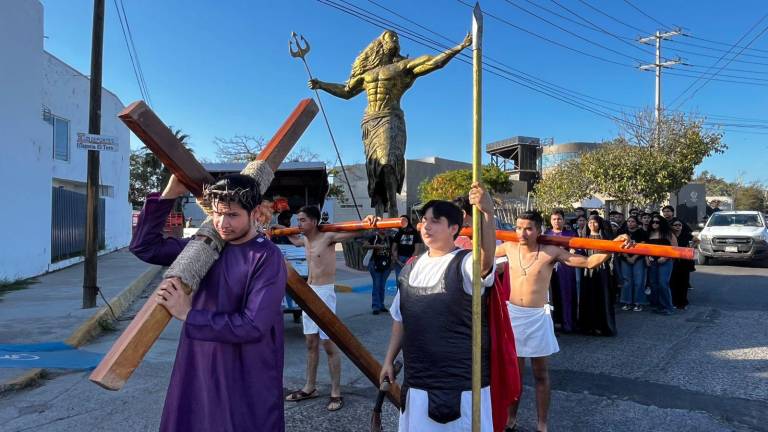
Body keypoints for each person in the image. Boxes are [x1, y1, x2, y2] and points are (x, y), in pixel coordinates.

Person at [130, 174, 287, 432]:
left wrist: (188, 314)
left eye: (232, 215)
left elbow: (253, 325)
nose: (222, 223)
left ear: (256, 212)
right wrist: (170, 192)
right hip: (200, 358)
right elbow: (145, 247)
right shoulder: (206, 247)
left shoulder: (266, 257)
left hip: (245, 367)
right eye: (217, 213)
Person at [380, 183, 519, 432]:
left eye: (436, 221)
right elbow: (401, 320)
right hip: (417, 381)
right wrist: (388, 359)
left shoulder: (465, 263)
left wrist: (487, 214)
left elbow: (486, 261)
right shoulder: (410, 268)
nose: (427, 226)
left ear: (454, 228)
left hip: (460, 386)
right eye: (424, 221)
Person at [310, 30, 471, 217]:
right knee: (374, 168)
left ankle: (393, 206)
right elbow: (346, 91)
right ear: (380, 44)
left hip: (389, 117)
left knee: (387, 161)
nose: (395, 40)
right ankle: (379, 210)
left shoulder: (403, 67)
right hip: (370, 121)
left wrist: (459, 46)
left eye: (396, 38)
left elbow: (434, 62)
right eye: (390, 37)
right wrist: (321, 84)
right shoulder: (367, 74)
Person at [496, 211, 631, 431]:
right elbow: (481, 254)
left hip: (537, 317)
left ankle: (542, 424)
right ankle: (511, 419)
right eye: (519, 228)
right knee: (514, 375)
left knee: (540, 374)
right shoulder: (508, 248)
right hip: (513, 316)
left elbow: (588, 262)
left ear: (539, 230)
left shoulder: (551, 251)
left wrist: (613, 245)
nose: (522, 233)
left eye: (528, 228)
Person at [284, 206, 377, 411]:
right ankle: (310, 387)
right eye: (297, 220)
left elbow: (354, 233)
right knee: (310, 342)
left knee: (328, 344)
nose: (298, 224)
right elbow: (295, 240)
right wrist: (276, 228)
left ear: (314, 222)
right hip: (308, 291)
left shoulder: (328, 237)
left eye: (302, 220)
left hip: (324, 293)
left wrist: (366, 222)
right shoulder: (305, 239)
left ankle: (336, 392)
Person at [577, 215, 619, 336]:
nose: (591, 224)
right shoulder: (583, 238)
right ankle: (588, 326)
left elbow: (612, 254)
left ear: (599, 224)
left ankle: (602, 326)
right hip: (587, 270)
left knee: (602, 297)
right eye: (589, 222)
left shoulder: (605, 238)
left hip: (602, 270)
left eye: (594, 222)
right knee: (588, 297)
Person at [544, 210, 578, 333]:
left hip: (566, 268)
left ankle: (567, 323)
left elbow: (575, 249)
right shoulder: (546, 234)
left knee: (566, 295)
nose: (557, 221)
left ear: (563, 220)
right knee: (550, 297)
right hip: (549, 268)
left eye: (559, 219)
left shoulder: (570, 233)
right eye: (554, 219)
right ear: (550, 221)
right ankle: (551, 324)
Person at [646, 216, 678, 316]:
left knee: (663, 283)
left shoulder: (668, 234)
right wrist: (647, 257)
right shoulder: (650, 233)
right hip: (653, 261)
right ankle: (656, 305)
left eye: (657, 222)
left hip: (665, 261)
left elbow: (675, 248)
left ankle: (668, 307)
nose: (654, 223)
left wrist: (665, 257)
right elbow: (646, 248)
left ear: (662, 223)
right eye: (653, 222)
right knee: (653, 284)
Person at [618, 216, 649, 312]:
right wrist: (627, 257)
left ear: (637, 223)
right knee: (627, 281)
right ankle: (627, 302)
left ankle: (638, 303)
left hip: (638, 259)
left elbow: (643, 246)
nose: (630, 223)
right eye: (629, 221)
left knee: (638, 282)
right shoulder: (622, 232)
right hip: (625, 259)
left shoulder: (642, 232)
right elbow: (619, 246)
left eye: (632, 221)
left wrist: (634, 258)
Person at [364, 228, 394, 315]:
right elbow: (365, 246)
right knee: (376, 285)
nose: (384, 230)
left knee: (382, 285)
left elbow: (393, 249)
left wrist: (392, 262)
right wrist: (376, 246)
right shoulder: (374, 237)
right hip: (375, 264)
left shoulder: (389, 238)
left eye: (385, 228)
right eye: (382, 227)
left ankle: (381, 305)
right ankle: (376, 306)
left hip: (386, 264)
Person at [670, 218, 695, 310]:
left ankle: (683, 302)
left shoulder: (686, 235)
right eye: (675, 225)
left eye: (679, 225)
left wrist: (691, 247)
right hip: (673, 261)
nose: (677, 227)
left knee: (683, 283)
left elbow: (697, 240)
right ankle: (674, 301)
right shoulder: (670, 235)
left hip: (684, 261)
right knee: (673, 282)